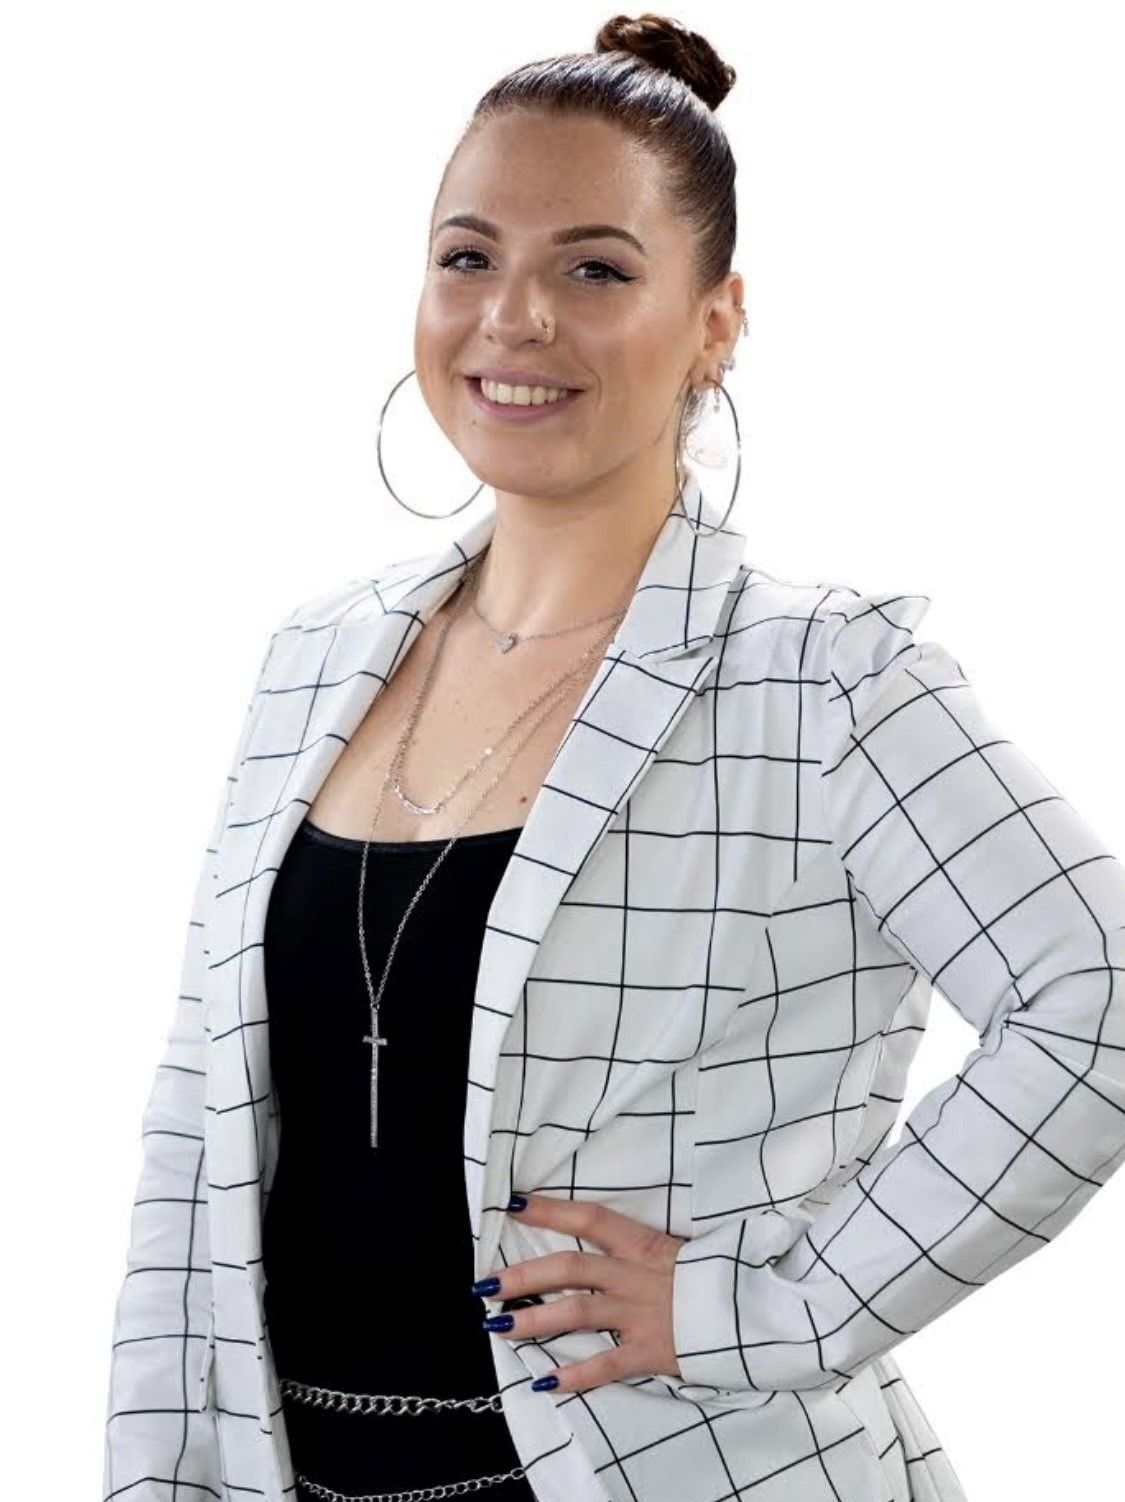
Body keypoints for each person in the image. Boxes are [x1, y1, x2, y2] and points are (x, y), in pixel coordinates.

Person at [102, 14, 1125, 1502]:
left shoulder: (822, 680)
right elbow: (195, 1125)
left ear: (714, 321)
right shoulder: (312, 660)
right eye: (468, 257)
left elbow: (1096, 996)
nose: (513, 317)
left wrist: (787, 1308)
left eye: (594, 269)